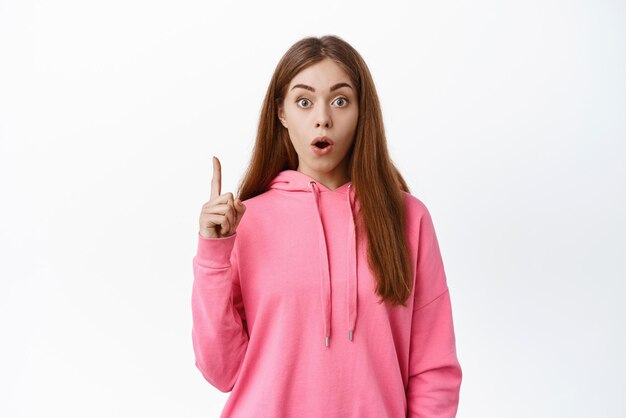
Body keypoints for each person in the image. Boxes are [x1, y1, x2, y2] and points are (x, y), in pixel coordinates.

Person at [191, 34, 462, 417]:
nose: (323, 118)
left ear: (361, 110)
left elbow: (434, 370)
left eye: (340, 100)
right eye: (304, 101)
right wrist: (213, 255)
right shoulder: (246, 222)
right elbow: (221, 372)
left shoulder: (407, 218)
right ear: (281, 113)